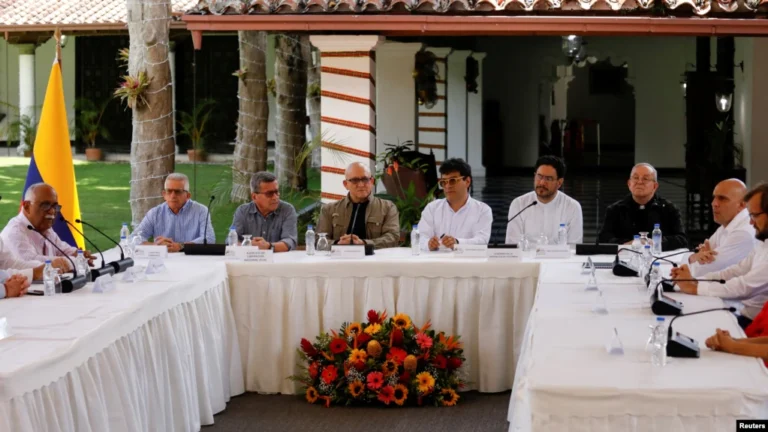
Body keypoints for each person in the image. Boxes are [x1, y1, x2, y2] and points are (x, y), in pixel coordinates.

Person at [672, 182, 768, 329]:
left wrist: (695, 287)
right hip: (743, 312)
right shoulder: (763, 240)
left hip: (754, 322)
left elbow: (745, 286)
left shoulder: (744, 233)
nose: (750, 221)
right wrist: (693, 281)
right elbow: (736, 270)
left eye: (754, 215)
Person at [0, 183, 94, 267]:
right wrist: (72, 261)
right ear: (27, 206)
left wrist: (80, 254)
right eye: (45, 205)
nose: (52, 211)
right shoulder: (15, 232)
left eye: (55, 206)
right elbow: (30, 262)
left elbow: (63, 250)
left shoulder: (44, 227)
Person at [598, 163, 687, 250]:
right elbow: (603, 239)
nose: (639, 182)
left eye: (645, 178)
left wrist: (656, 242)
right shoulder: (615, 209)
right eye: (636, 178)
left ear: (655, 186)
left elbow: (682, 240)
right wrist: (627, 244)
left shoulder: (668, 209)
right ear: (629, 184)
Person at [317, 162, 400, 249]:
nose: (361, 185)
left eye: (365, 179)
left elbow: (393, 237)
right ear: (346, 184)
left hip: (375, 260)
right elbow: (319, 239)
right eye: (355, 180)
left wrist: (364, 243)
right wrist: (338, 243)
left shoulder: (388, 207)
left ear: (371, 182)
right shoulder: (329, 209)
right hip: (339, 260)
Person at [417, 158, 493, 251]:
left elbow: (482, 241)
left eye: (453, 180)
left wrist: (457, 242)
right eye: (444, 182)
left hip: (468, 263)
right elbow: (420, 238)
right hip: (437, 263)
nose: (448, 186)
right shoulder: (432, 209)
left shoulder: (482, 210)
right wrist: (428, 244)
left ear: (467, 181)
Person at [505, 155, 583, 245]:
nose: (542, 182)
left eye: (548, 179)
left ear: (559, 182)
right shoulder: (519, 204)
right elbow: (512, 245)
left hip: (559, 259)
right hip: (527, 258)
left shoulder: (572, 207)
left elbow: (573, 248)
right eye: (539, 177)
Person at [685, 179, 755, 276]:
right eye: (714, 198)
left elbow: (705, 271)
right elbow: (702, 256)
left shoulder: (743, 232)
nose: (714, 203)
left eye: (722, 199)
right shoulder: (726, 226)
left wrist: (691, 260)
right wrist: (694, 257)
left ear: (742, 205)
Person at [134, 173, 215, 252]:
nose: (173, 195)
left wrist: (181, 246)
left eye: (178, 191)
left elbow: (209, 239)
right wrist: (156, 246)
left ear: (188, 195)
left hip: (189, 260)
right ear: (164, 194)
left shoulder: (201, 211)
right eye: (169, 191)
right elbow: (134, 238)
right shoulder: (155, 213)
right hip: (163, 260)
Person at [231, 171, 297, 252]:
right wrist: (247, 245)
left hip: (278, 261)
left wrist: (268, 246)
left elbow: (290, 242)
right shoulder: (242, 212)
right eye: (269, 194)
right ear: (254, 197)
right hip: (248, 261)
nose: (275, 197)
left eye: (276, 192)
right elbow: (231, 239)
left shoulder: (287, 210)